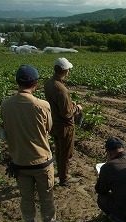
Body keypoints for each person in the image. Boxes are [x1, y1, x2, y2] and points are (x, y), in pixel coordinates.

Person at [1, 65, 60, 222]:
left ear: (17, 82)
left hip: (19, 162)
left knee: (26, 199)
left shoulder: (6, 105)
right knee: (46, 196)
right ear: (35, 83)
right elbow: (48, 128)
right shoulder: (42, 105)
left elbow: (5, 130)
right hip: (41, 161)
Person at [44, 57, 83, 186]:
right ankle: (64, 177)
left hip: (53, 123)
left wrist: (68, 104)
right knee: (66, 152)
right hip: (64, 126)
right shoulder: (61, 89)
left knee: (59, 149)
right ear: (65, 71)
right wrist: (76, 108)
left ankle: (60, 171)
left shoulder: (48, 83)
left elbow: (56, 104)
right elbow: (66, 114)